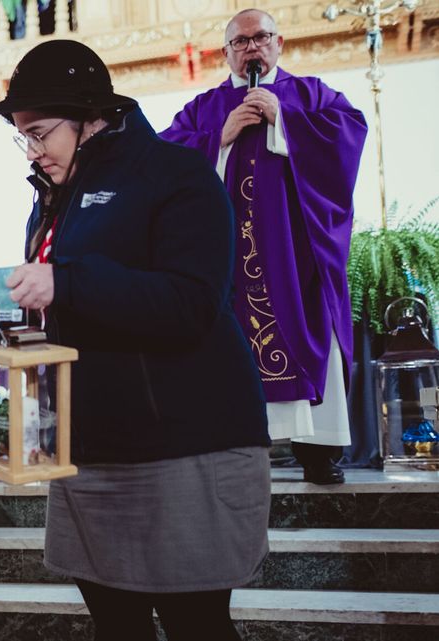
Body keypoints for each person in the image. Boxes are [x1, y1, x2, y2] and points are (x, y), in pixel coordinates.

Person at [0, 40, 270, 641]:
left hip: (184, 444)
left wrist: (67, 281)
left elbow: (191, 305)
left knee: (196, 622)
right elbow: (56, 318)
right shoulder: (54, 202)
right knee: (116, 623)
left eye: (39, 133)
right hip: (91, 448)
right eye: (21, 137)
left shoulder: (176, 174)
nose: (32, 150)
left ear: (91, 116)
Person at [161, 8, 367, 484]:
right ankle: (232, 450)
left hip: (297, 258)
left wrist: (285, 121)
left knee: (310, 328)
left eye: (261, 38)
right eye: (241, 41)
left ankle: (319, 452)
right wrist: (220, 137)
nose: (252, 48)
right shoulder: (205, 108)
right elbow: (164, 158)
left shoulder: (310, 95)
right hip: (229, 260)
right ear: (226, 52)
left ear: (279, 43)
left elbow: (348, 136)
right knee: (229, 346)